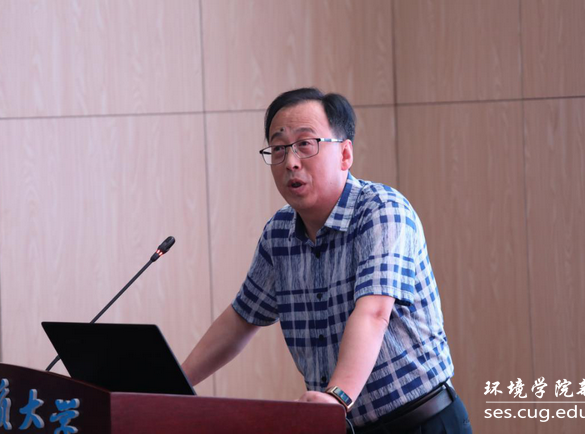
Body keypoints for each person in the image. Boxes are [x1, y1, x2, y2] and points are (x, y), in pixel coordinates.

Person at [182, 88, 472, 433]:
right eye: (279, 148)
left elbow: (374, 313)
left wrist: (337, 397)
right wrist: (172, 386)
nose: (291, 162)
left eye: (305, 144)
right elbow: (241, 319)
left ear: (345, 154)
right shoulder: (278, 234)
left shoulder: (382, 210)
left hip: (423, 422)